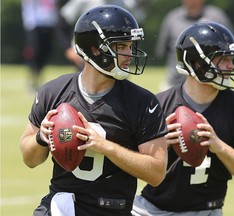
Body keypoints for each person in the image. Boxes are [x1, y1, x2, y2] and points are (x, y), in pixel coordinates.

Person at [20, 5, 168, 216]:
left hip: (110, 210)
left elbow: (156, 173)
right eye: (122, 46)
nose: (129, 54)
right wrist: (40, 139)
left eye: (130, 46)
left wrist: (106, 147)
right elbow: (29, 159)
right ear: (96, 49)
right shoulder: (53, 91)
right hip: (61, 206)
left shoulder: (143, 102)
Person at [132, 22, 234, 216]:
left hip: (208, 211)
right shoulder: (159, 105)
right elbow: (127, 167)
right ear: (196, 63)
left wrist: (219, 147)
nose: (231, 65)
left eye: (231, 58)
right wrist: (159, 146)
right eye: (223, 58)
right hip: (152, 210)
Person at [156, 0, 234, 89]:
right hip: (176, 82)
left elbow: (231, 47)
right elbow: (162, 50)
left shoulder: (217, 17)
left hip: (213, 82)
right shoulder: (172, 18)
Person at [21, 0, 59, 91]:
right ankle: (32, 81)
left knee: (45, 53)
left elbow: (54, 7)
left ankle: (40, 79)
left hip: (49, 25)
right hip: (36, 25)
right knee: (34, 54)